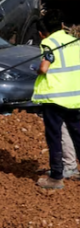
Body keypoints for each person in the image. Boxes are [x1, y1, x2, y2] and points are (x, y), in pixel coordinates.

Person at [32, 19, 80, 189]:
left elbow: (44, 68)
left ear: (40, 33)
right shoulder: (74, 41)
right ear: (61, 25)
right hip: (75, 97)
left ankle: (56, 177)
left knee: (54, 137)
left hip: (55, 98)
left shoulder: (48, 43)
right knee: (77, 134)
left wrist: (36, 70)